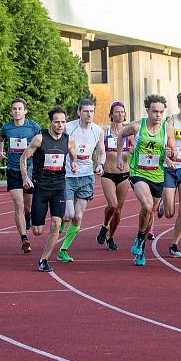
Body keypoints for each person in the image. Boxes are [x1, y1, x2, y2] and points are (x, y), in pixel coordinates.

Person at [117, 94, 176, 266]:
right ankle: (140, 240)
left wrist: (170, 156)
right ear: (147, 111)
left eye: (161, 112)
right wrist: (120, 157)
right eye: (154, 111)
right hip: (138, 172)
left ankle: (140, 243)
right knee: (147, 205)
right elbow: (121, 135)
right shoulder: (137, 126)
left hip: (157, 174)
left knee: (150, 213)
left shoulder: (167, 128)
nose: (158, 115)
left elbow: (172, 149)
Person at [21, 106, 78, 272]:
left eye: (63, 122)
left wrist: (74, 163)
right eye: (57, 122)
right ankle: (31, 217)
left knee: (56, 223)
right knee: (37, 231)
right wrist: (25, 178)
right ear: (50, 123)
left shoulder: (69, 140)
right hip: (40, 187)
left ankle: (44, 260)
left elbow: (73, 155)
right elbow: (24, 158)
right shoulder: (40, 139)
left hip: (59, 186)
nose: (60, 125)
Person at [57, 99, 104, 263]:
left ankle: (63, 249)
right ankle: (62, 219)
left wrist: (100, 165)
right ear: (79, 112)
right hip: (68, 176)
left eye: (91, 111)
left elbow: (101, 151)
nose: (89, 114)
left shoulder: (97, 130)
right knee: (69, 215)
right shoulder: (68, 127)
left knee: (78, 216)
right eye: (85, 111)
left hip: (86, 177)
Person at [0, 98, 41, 254]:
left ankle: (28, 216)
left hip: (29, 170)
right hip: (13, 170)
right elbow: (0, 139)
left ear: (25, 111)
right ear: (11, 111)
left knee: (28, 206)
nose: (17, 111)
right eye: (14, 109)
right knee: (19, 205)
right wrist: (0, 150)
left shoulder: (34, 127)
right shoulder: (7, 127)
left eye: (20, 109)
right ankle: (24, 239)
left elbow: (41, 143)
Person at [160, 90, 181, 258]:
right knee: (169, 212)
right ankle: (161, 205)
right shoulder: (170, 122)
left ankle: (174, 245)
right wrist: (167, 158)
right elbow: (163, 144)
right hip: (170, 169)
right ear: (179, 105)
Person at [97, 101, 131, 251]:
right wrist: (96, 164)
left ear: (125, 115)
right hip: (108, 174)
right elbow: (97, 150)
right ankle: (104, 226)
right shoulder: (104, 133)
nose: (119, 114)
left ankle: (110, 237)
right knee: (113, 205)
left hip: (124, 175)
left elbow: (136, 150)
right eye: (116, 112)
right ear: (111, 115)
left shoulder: (129, 133)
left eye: (122, 112)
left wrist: (131, 151)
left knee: (118, 211)